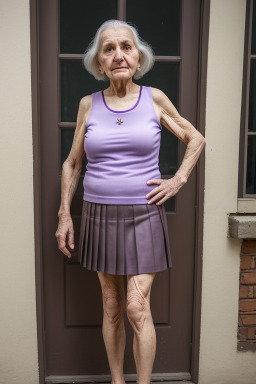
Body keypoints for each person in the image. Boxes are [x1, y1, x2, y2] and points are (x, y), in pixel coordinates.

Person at [55, 19, 206, 384]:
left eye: (126, 47)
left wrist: (178, 179)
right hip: (98, 215)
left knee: (137, 307)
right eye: (109, 49)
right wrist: (64, 214)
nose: (118, 55)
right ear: (100, 63)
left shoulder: (153, 99)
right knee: (111, 306)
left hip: (143, 215)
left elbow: (195, 138)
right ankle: (118, 381)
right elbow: (73, 162)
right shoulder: (88, 106)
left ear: (138, 58)